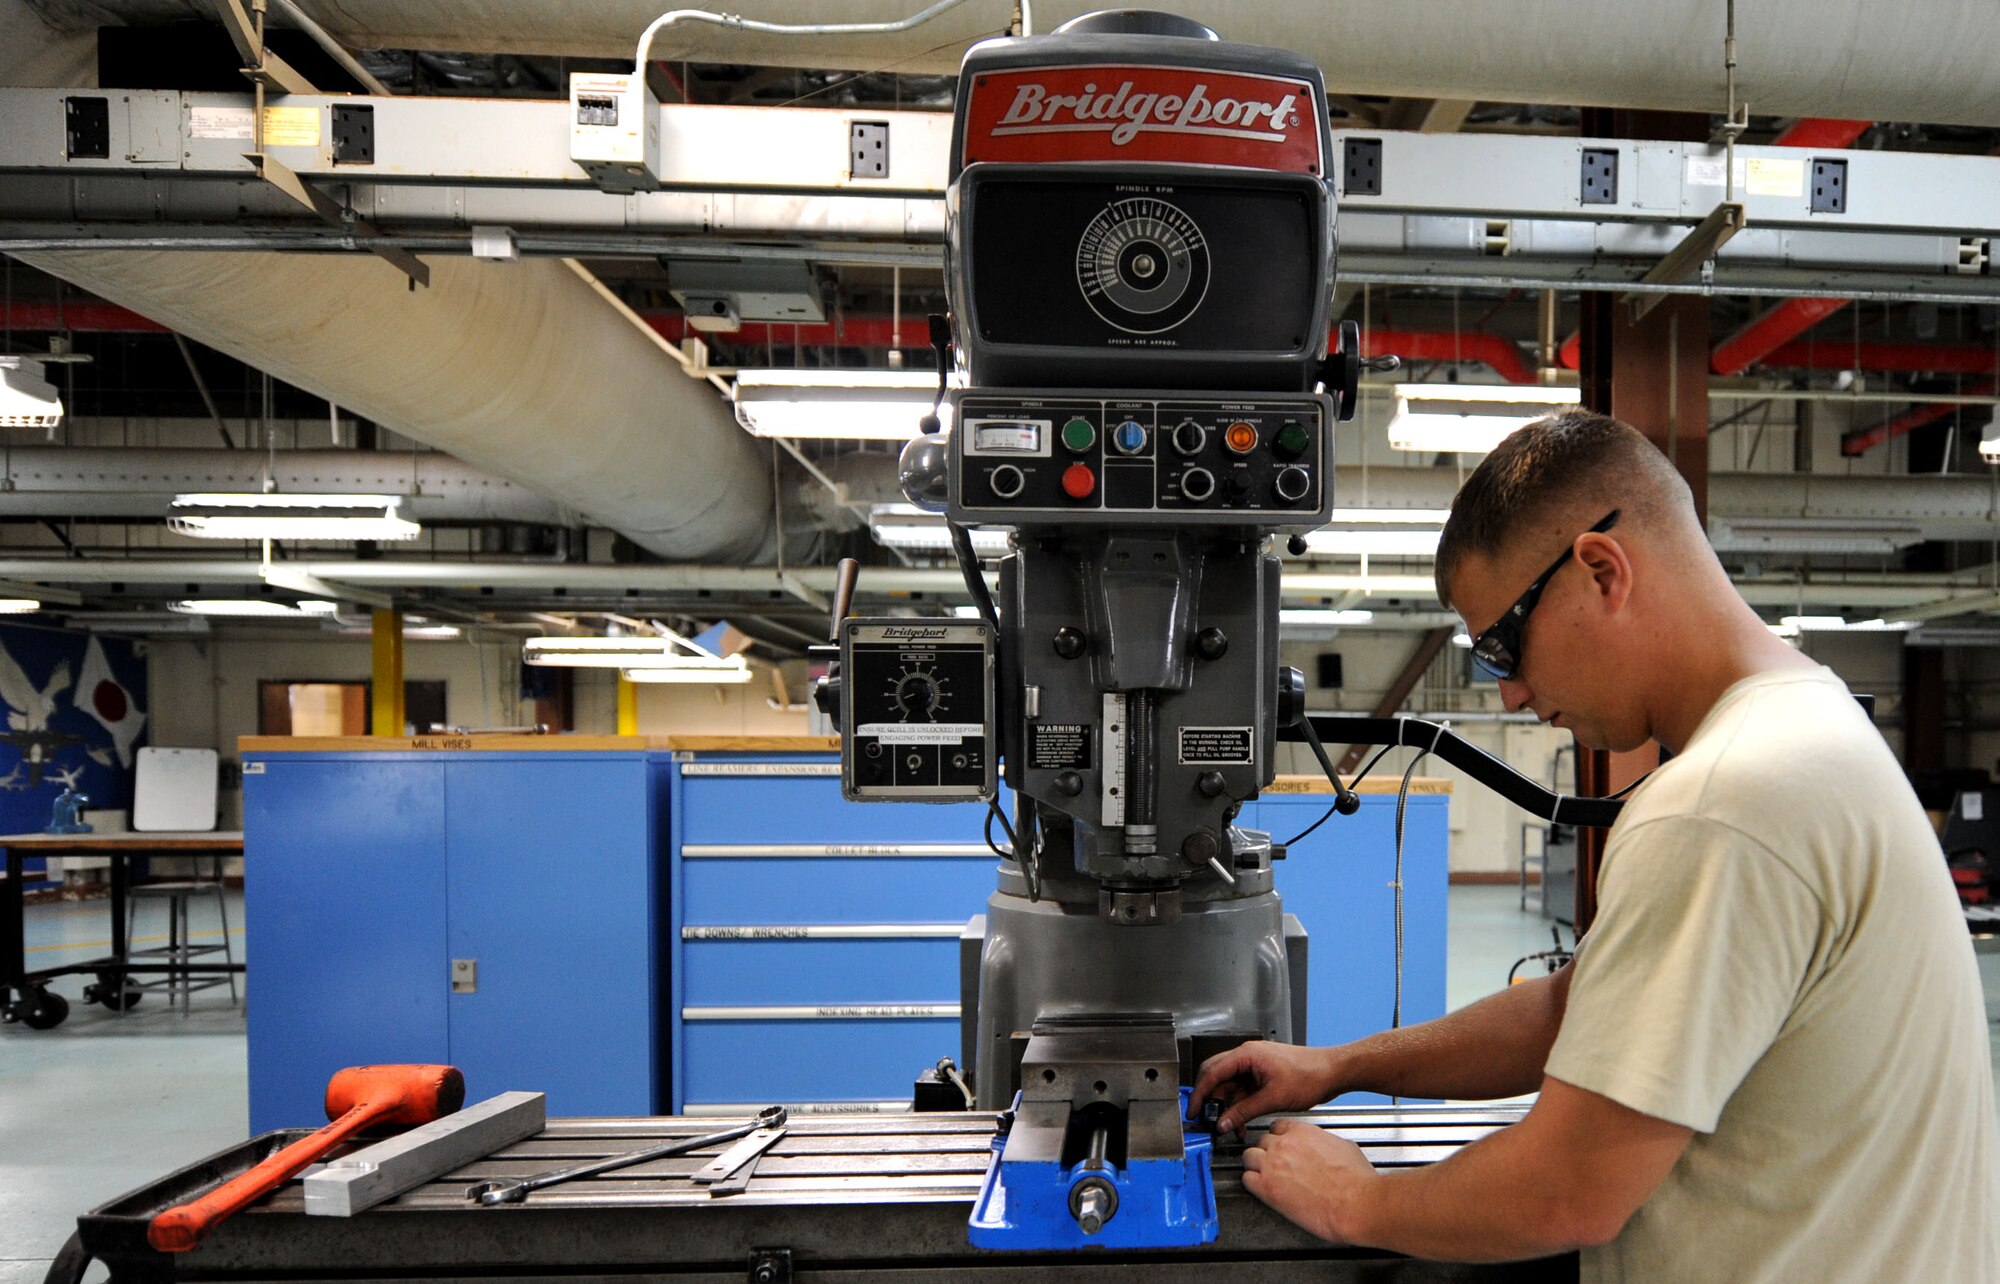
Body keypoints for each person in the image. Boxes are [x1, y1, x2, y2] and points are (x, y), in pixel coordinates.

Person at [1191, 410, 1999, 1280]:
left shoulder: (1722, 804)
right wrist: (1337, 1065)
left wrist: (1358, 1200)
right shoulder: (1809, 725)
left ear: (1601, 570)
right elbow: (1576, 1007)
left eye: (1502, 647)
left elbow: (1569, 1190)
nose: (1508, 697)